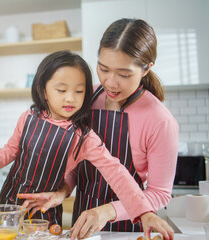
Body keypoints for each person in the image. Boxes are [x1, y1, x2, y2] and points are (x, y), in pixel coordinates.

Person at [0, 51, 174, 239]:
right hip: (9, 203)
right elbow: (11, 150)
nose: (70, 97)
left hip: (45, 213)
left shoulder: (84, 137)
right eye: (61, 90)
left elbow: (117, 173)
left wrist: (144, 212)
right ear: (42, 90)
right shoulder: (28, 117)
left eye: (79, 91)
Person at [18, 18, 178, 240]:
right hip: (83, 221)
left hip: (128, 228)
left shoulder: (160, 120)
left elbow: (160, 193)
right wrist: (62, 192)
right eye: (103, 69)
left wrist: (107, 211)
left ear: (146, 68)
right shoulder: (85, 97)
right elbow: (78, 158)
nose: (110, 82)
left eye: (123, 74)